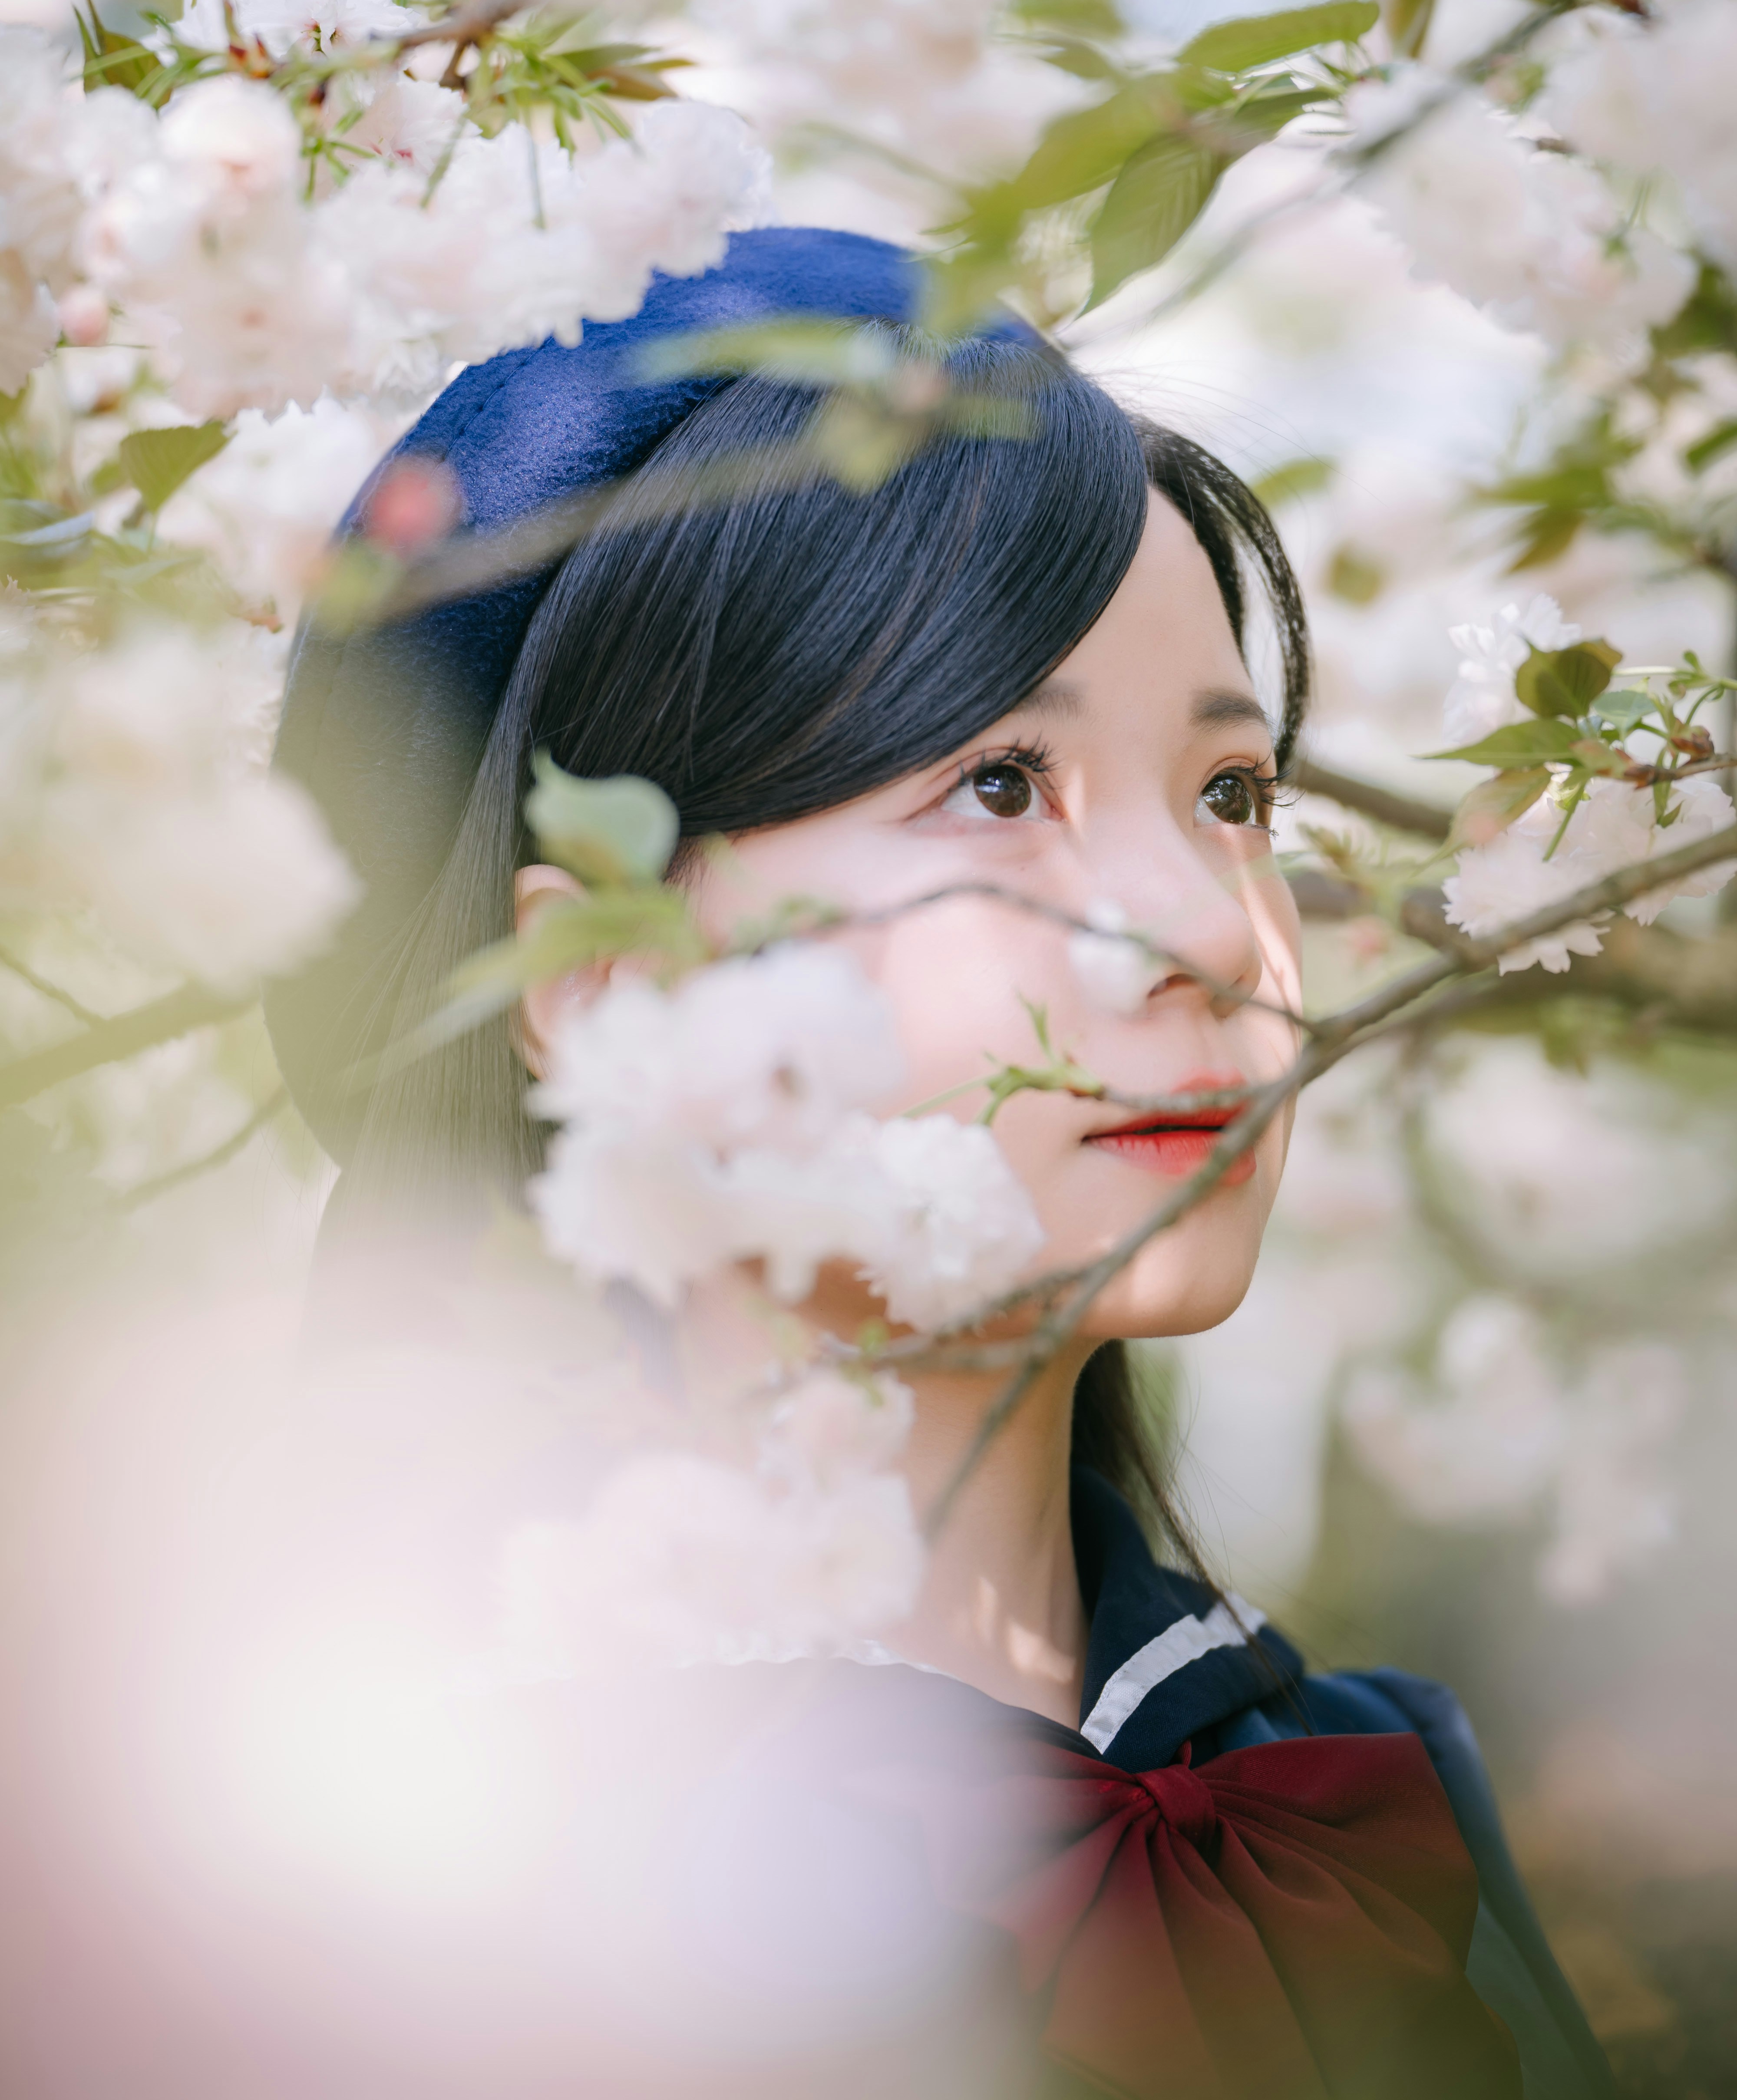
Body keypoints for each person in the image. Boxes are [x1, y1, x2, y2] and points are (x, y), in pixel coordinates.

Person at [261, 226, 1612, 2099]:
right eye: (998, 785)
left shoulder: (1380, 1800)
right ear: (587, 980)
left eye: (1230, 798)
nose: (1213, 934)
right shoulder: (377, 1885)